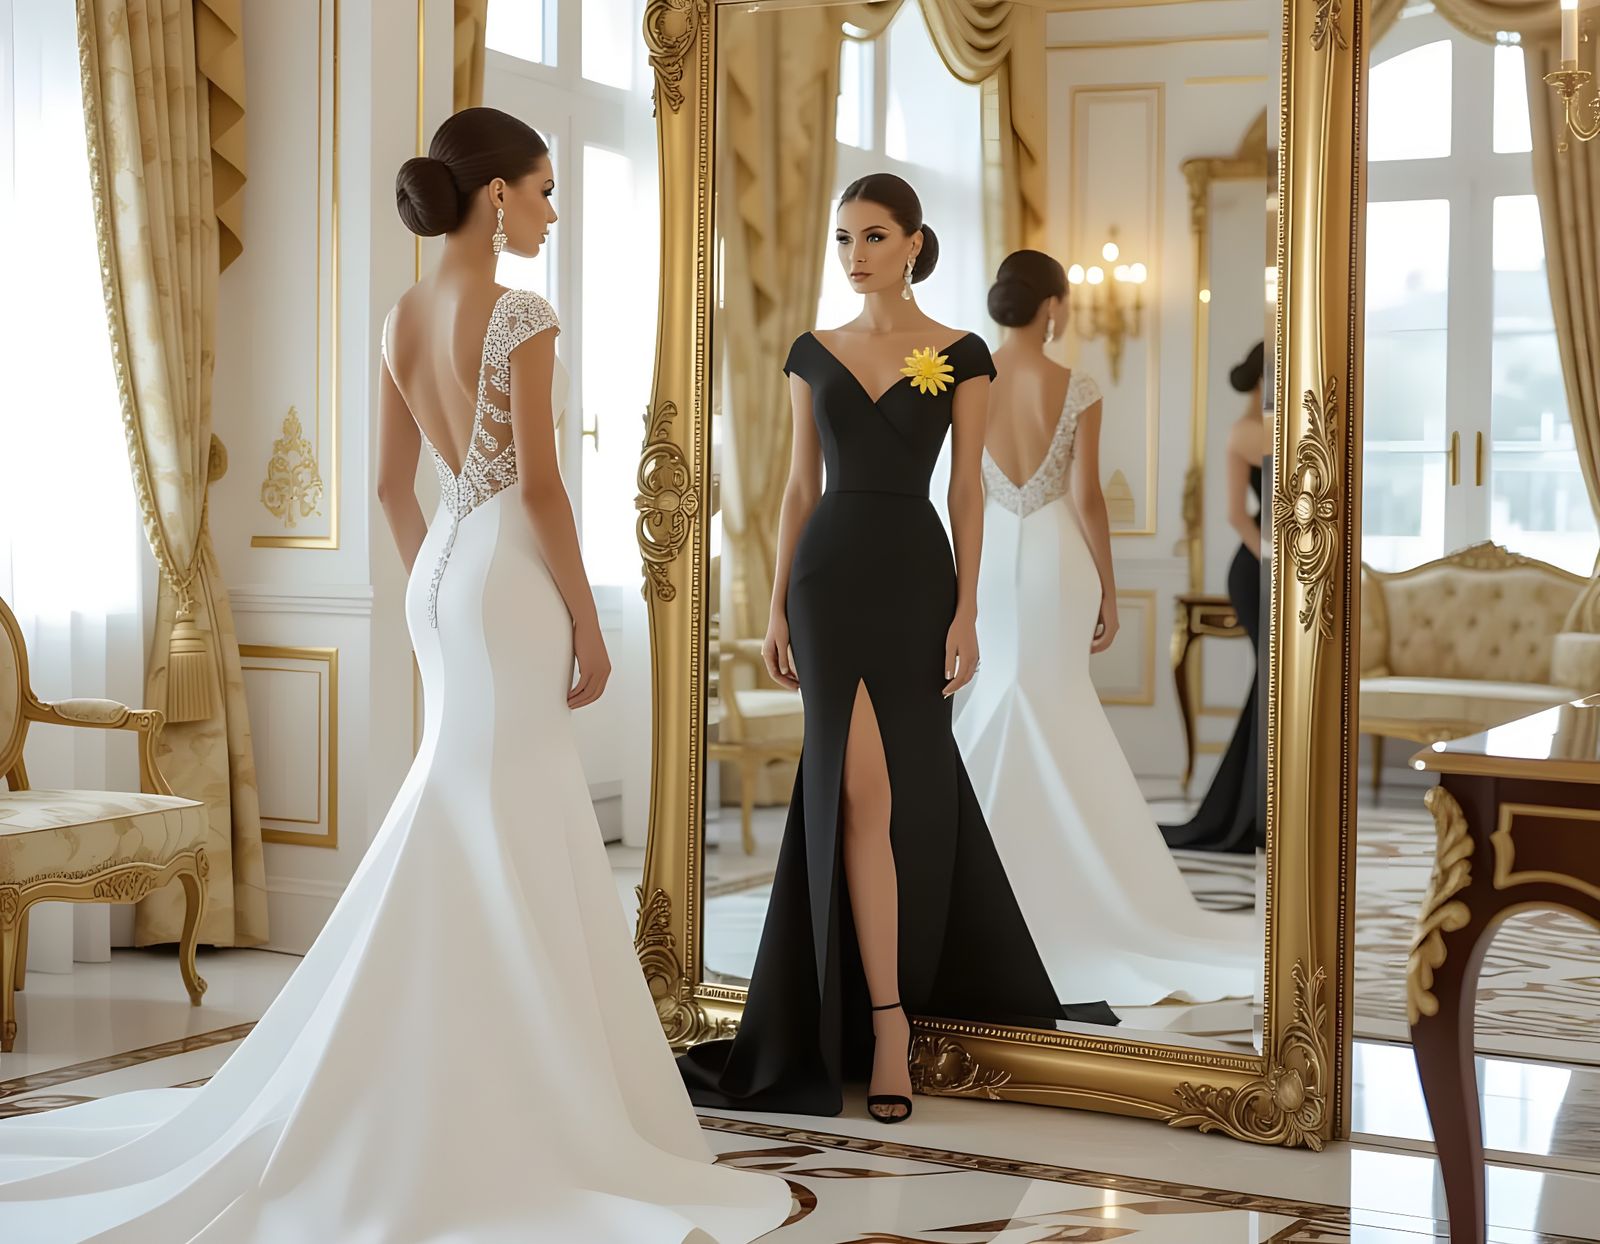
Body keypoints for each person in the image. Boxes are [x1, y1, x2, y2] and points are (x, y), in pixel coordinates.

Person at [0, 108, 790, 1244]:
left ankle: (445, 1055)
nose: (554, 211)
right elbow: (542, 491)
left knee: (467, 807)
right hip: (504, 575)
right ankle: (524, 1086)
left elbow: (387, 486)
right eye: (545, 189)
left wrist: (447, 591)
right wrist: (585, 618)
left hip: (447, 578)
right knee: (502, 808)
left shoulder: (400, 313)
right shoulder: (521, 311)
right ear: (498, 196)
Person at [678, 175, 1115, 1126]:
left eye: (872, 237)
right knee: (854, 793)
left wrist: (966, 611)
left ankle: (893, 1008)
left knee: (893, 793)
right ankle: (883, 1021)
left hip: (917, 578)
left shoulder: (961, 355)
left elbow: (967, 492)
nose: (854, 256)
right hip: (827, 581)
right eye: (842, 240)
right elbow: (799, 487)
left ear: (914, 243)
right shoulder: (812, 352)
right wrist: (776, 607)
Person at [955, 251, 1258, 1007]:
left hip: (990, 554)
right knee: (1052, 697)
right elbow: (1087, 496)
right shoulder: (1076, 384)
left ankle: (975, 877)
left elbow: (959, 489)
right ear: (1053, 306)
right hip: (1059, 555)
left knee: (1004, 690)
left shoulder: (966, 376)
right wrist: (1111, 594)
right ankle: (1078, 884)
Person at [1162, 341, 1269, 854]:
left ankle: (1258, 808)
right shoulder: (1248, 431)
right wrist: (1277, 561)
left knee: (1271, 688)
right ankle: (1246, 813)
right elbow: (1236, 514)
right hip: (1255, 571)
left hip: (1286, 570)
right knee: (1272, 683)